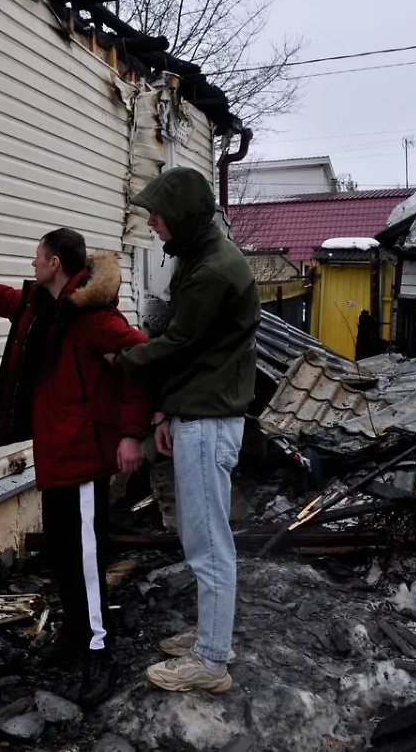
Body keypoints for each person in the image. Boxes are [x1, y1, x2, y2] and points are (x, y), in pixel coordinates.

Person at [0, 228, 151, 707]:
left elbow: (142, 363)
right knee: (62, 556)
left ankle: (99, 651)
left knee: (88, 562)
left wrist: (132, 432)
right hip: (53, 458)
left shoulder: (95, 319)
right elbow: (8, 300)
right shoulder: (42, 307)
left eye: (37, 257)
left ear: (54, 263)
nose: (32, 263)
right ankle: (74, 634)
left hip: (86, 459)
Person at [110, 167, 260, 694]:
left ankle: (211, 662)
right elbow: (198, 351)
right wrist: (167, 412)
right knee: (204, 537)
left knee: (208, 544)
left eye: (157, 214)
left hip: (210, 419)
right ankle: (211, 637)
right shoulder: (201, 258)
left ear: (182, 217)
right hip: (201, 410)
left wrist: (121, 358)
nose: (150, 222)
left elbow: (178, 344)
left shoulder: (212, 271)